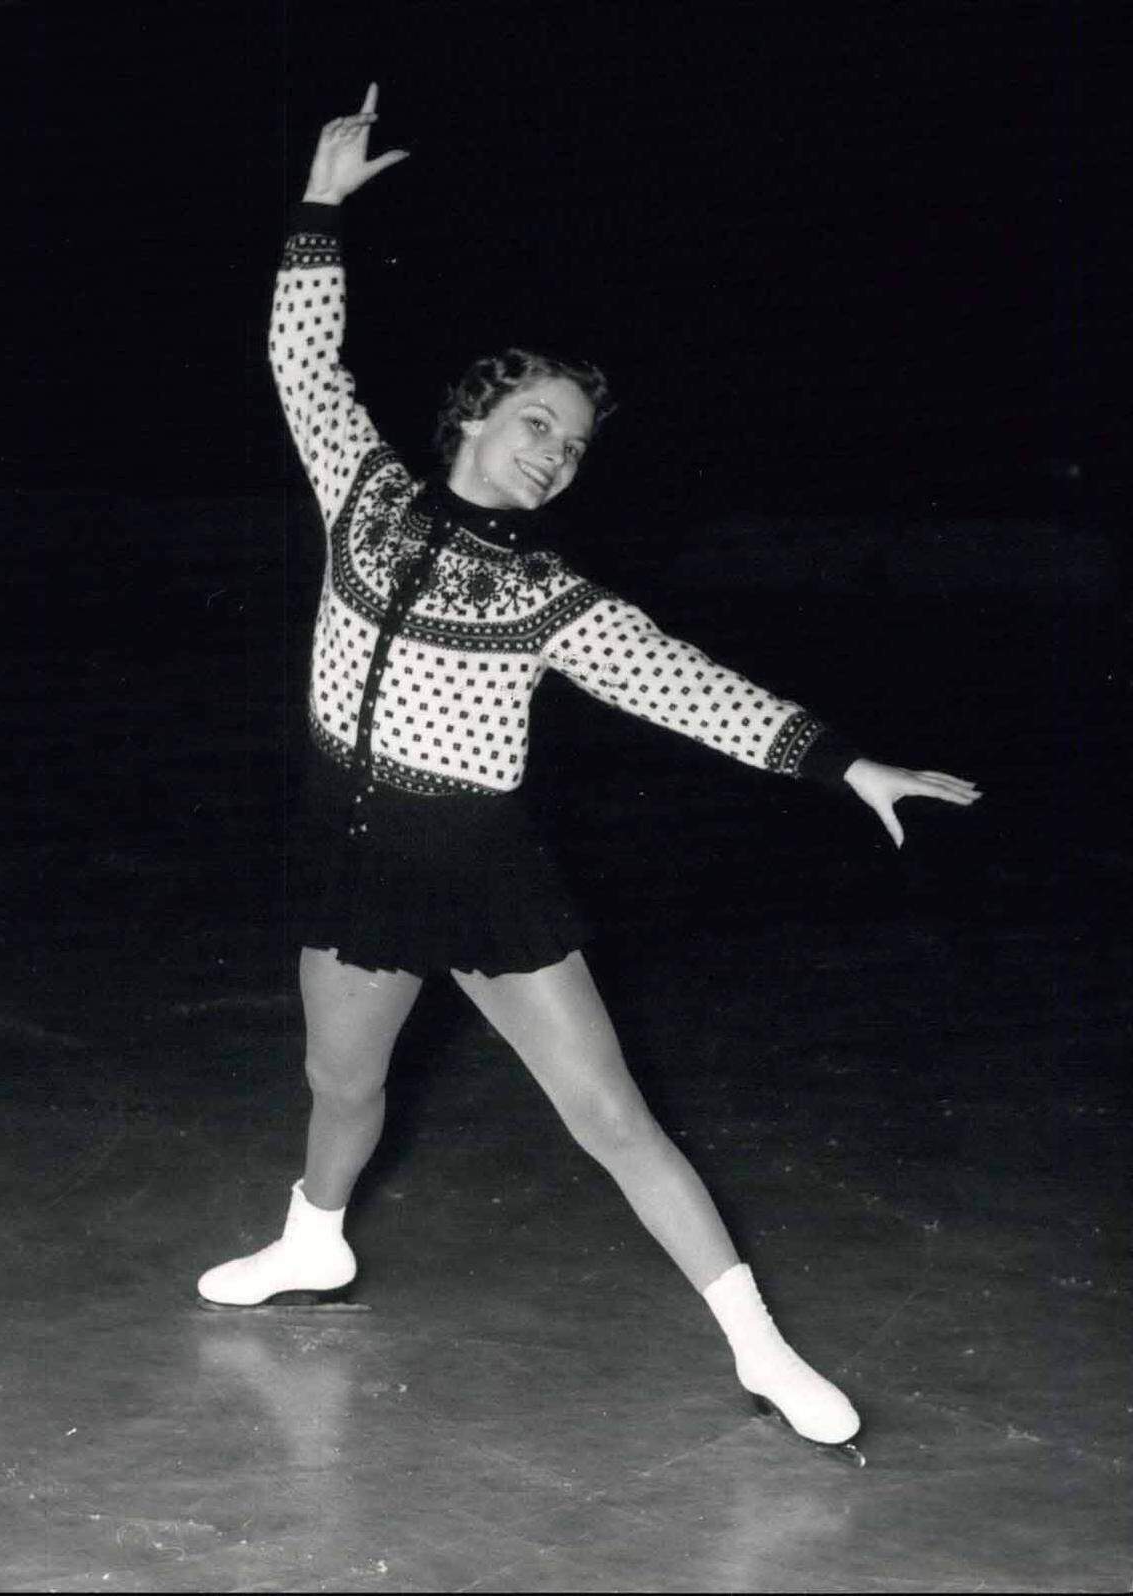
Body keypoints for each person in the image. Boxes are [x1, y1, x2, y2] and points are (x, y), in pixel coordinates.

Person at [197, 85, 982, 1457]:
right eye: (538, 423)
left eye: (572, 445)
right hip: (354, 845)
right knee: (341, 1086)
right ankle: (312, 1243)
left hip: (480, 869)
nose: (554, 453)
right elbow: (305, 366)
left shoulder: (555, 597)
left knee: (611, 1114)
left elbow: (688, 684)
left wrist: (844, 765)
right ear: (480, 413)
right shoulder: (362, 486)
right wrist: (319, 207)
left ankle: (763, 1348)